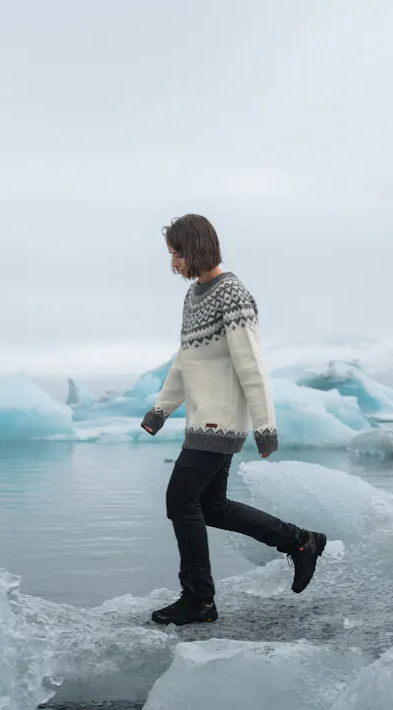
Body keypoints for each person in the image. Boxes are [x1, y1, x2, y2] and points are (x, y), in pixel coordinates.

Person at [140, 214, 328, 626]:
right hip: (200, 419)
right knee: (212, 507)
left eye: (176, 253)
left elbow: (252, 365)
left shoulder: (233, 294)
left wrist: (265, 424)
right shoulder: (193, 296)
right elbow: (185, 360)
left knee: (180, 500)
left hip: (221, 422)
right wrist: (161, 409)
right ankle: (300, 542)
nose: (172, 262)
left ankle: (199, 599)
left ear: (195, 249)